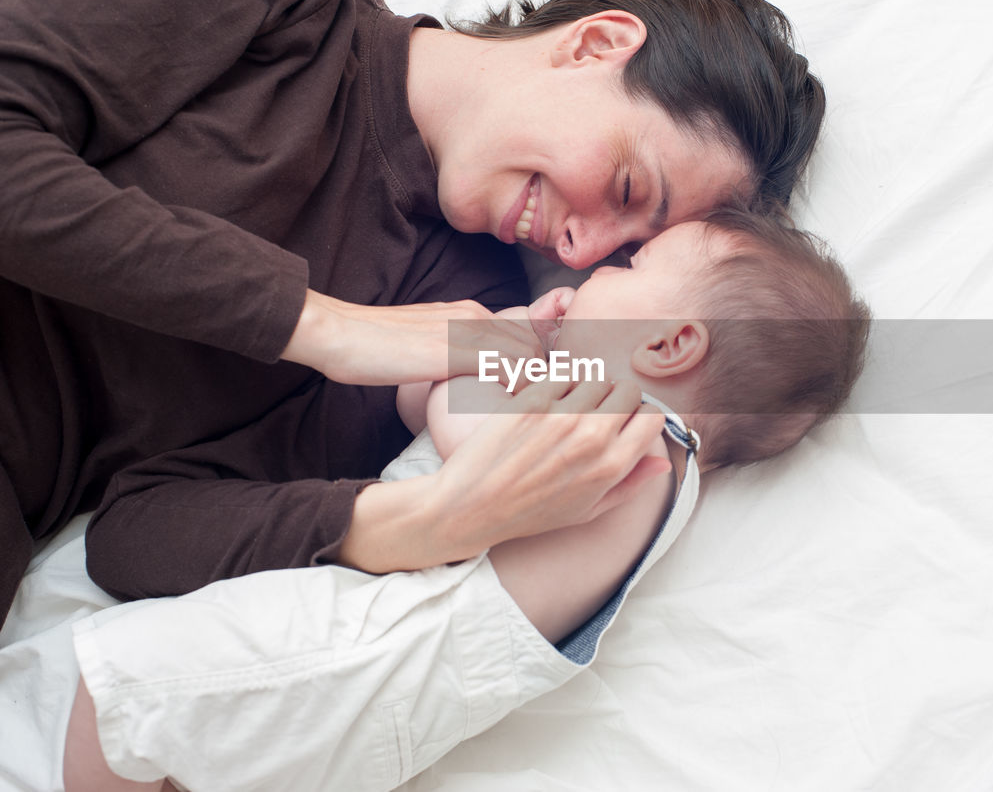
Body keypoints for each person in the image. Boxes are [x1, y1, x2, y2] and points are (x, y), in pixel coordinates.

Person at [0, 0, 826, 624]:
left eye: (624, 252)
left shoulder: (462, 322)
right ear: (597, 43)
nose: (581, 249)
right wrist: (322, 326)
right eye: (626, 191)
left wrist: (424, 522)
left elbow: (132, 534)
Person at [62, 209, 871, 792]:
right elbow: (420, 404)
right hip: (388, 682)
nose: (593, 274)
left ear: (667, 344)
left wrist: (513, 347)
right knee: (179, 732)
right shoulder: (654, 461)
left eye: (630, 268)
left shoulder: (633, 439)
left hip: (376, 644)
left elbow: (468, 440)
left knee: (121, 690)